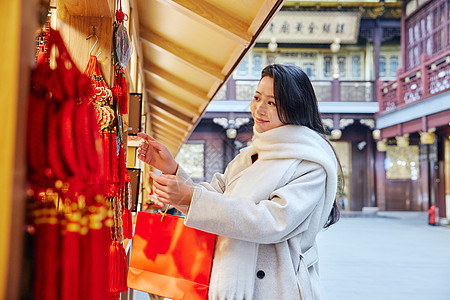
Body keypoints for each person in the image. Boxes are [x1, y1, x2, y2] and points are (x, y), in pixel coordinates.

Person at [137, 64, 341, 300]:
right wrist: (172, 169)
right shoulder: (250, 155)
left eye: (271, 103)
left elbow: (272, 221)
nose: (259, 108)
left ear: (294, 108)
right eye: (257, 98)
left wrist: (190, 198)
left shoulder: (310, 163)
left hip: (276, 290)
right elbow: (214, 196)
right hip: (226, 285)